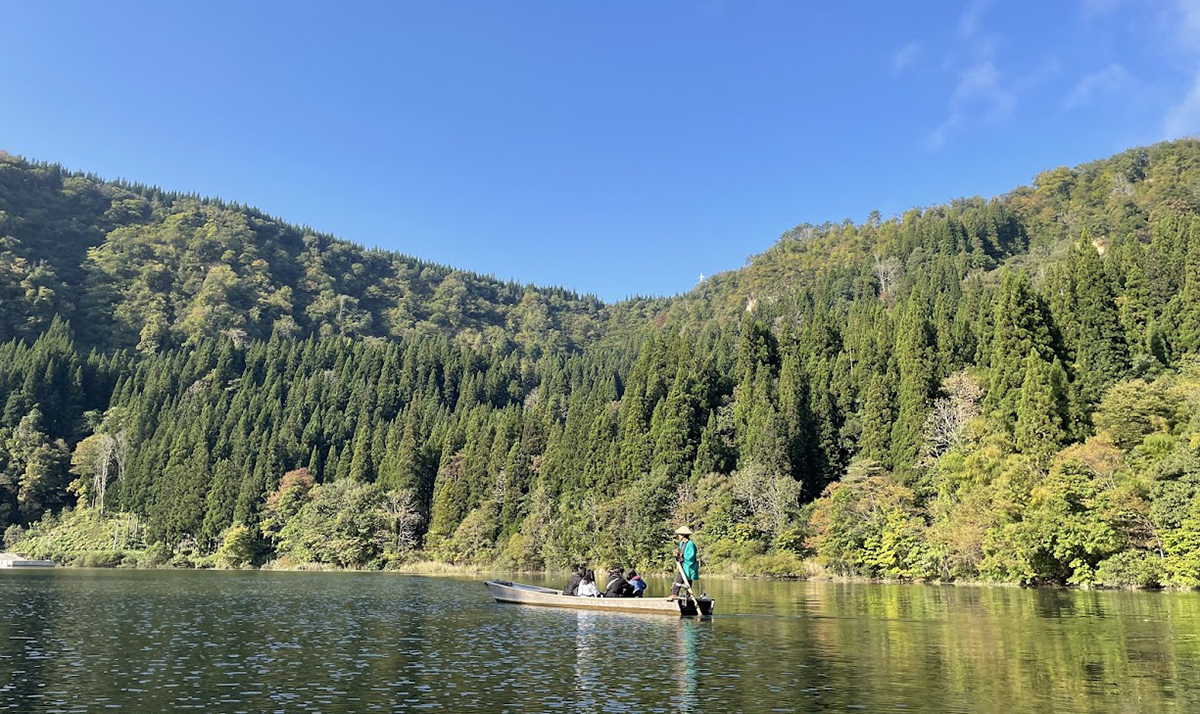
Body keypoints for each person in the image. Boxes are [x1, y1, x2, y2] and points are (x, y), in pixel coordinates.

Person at [670, 526, 699, 599]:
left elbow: (691, 556)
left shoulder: (691, 544)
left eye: (679, 535)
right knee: (678, 580)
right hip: (682, 565)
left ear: (683, 535)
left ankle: (687, 597)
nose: (678, 536)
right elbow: (681, 554)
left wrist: (681, 555)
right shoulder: (681, 543)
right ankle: (675, 594)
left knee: (687, 583)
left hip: (689, 566)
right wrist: (677, 555)